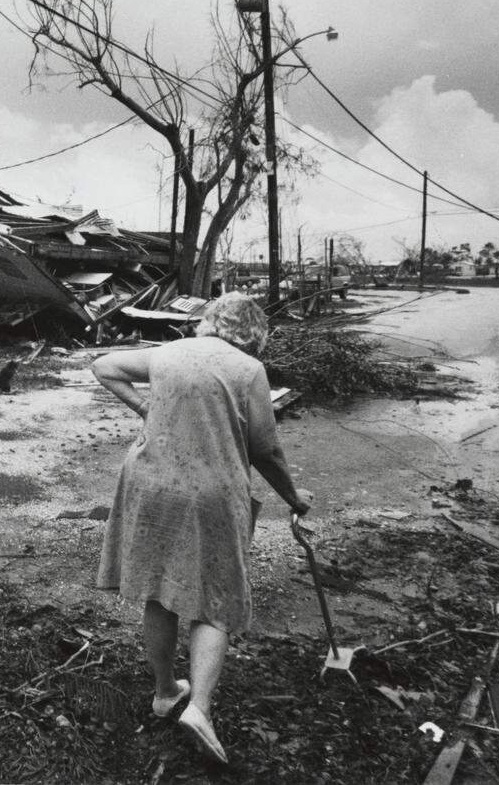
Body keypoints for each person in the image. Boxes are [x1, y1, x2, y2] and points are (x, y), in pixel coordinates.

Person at [91, 292, 311, 765]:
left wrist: (145, 409)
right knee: (214, 595)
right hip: (210, 491)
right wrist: (294, 497)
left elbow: (104, 366)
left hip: (151, 483)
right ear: (255, 333)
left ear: (209, 321)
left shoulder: (168, 353)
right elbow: (265, 450)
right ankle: (200, 708)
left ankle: (165, 692)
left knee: (158, 589)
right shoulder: (248, 370)